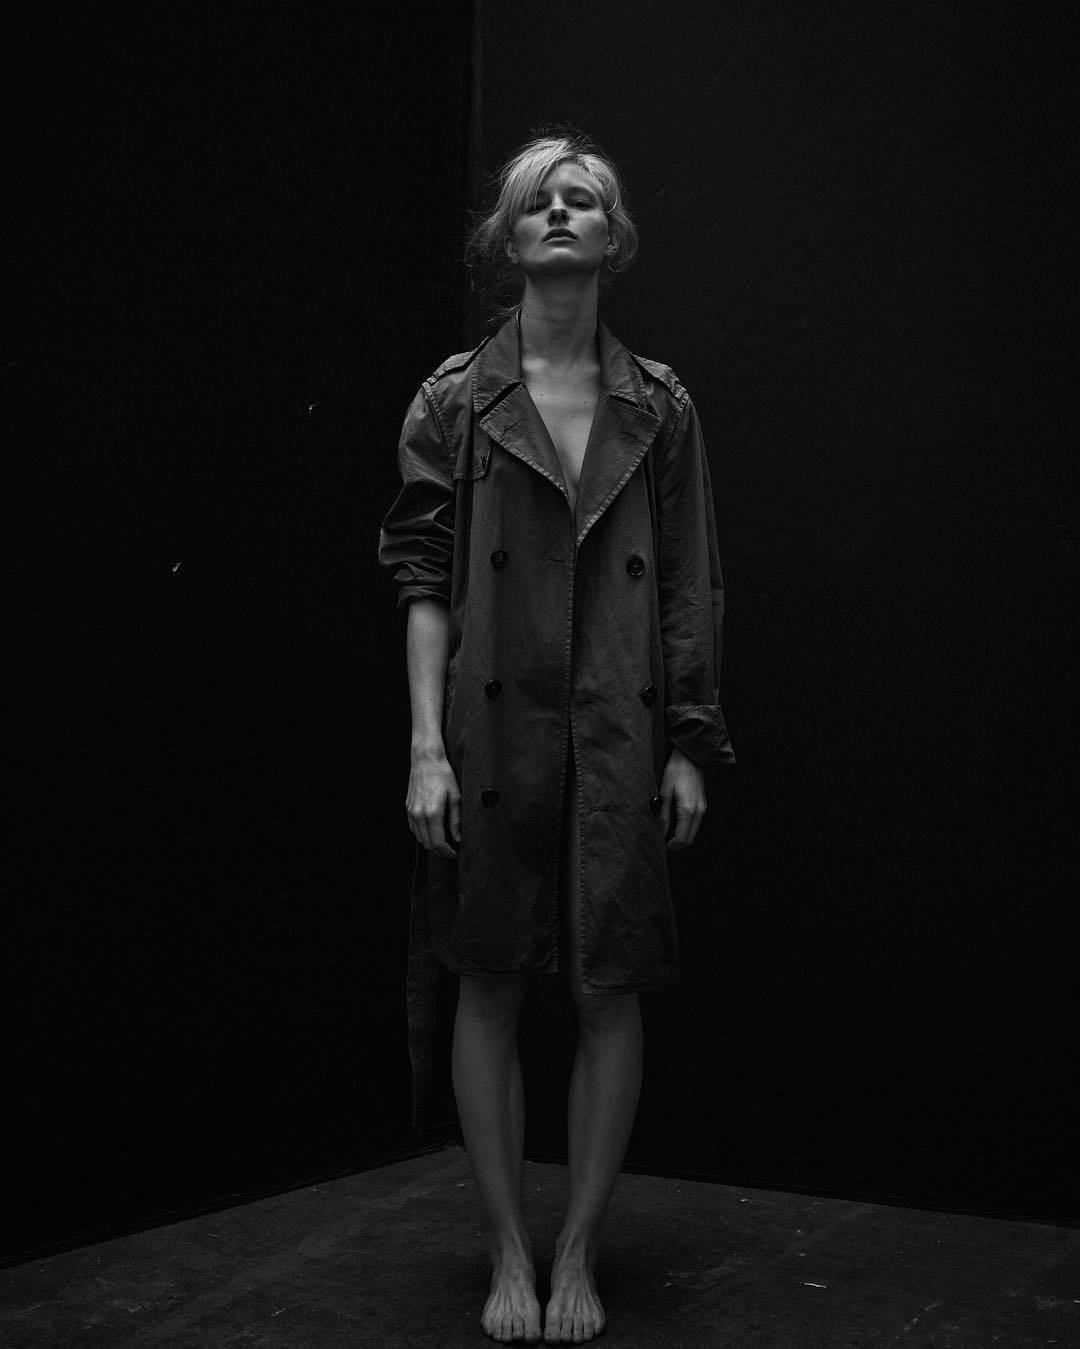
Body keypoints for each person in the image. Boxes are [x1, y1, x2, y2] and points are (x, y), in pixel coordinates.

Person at [378, 128, 734, 1345]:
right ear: (509, 237)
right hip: (490, 720)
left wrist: (689, 737)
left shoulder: (660, 404)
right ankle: (504, 1245)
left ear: (614, 236)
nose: (564, 210)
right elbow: (423, 579)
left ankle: (577, 1246)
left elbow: (688, 580)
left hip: (621, 721)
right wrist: (425, 748)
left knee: (607, 982)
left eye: (584, 197)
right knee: (484, 973)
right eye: (540, 200)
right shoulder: (454, 398)